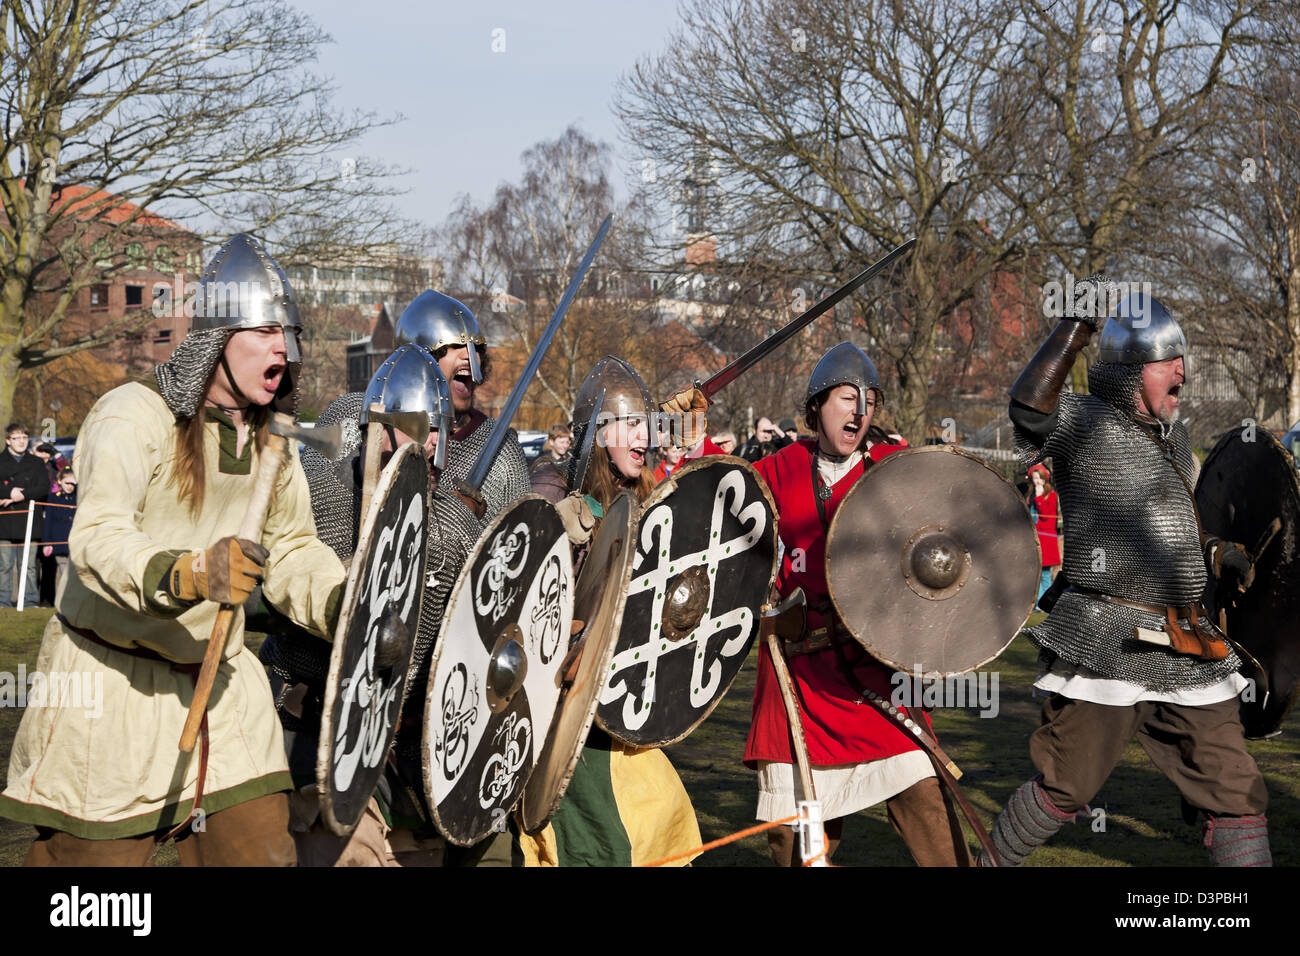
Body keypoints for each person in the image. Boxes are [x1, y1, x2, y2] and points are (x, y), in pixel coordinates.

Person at [0, 233, 346, 866]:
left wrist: (349, 602)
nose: (282, 346)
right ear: (216, 336)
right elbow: (99, 536)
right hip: (111, 686)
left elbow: (293, 548)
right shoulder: (132, 415)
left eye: (288, 332)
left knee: (264, 853)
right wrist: (190, 573)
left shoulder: (277, 442)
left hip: (224, 693)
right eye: (264, 330)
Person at [985, 283, 1270, 867]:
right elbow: (1028, 409)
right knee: (1065, 786)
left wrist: (1216, 552)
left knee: (1238, 794)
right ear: (1131, 371)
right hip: (1107, 637)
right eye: (1170, 363)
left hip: (1189, 646)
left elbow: (1177, 528)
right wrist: (1075, 325)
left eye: (1182, 362)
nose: (1183, 374)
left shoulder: (1178, 441)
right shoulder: (1084, 422)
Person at [746, 341, 971, 867]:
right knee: (797, 840)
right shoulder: (780, 469)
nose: (859, 410)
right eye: (847, 398)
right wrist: (689, 441)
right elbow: (717, 502)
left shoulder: (891, 467)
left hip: (875, 666)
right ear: (817, 407)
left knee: (927, 803)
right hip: (796, 677)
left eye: (868, 399)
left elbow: (954, 521)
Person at [260, 344, 486, 866]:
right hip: (309, 729)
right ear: (378, 426)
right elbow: (287, 584)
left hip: (402, 754)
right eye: (415, 424)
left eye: (438, 428)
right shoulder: (322, 494)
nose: (428, 444)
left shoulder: (450, 519)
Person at [525, 356, 715, 866]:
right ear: (596, 434)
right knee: (600, 842)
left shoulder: (642, 494)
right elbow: (527, 592)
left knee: (658, 818)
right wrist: (565, 526)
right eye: (629, 423)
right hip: (564, 712)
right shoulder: (551, 487)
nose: (642, 436)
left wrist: (687, 445)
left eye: (645, 425)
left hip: (620, 703)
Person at [393, 289, 530, 518]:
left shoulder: (501, 447)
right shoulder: (362, 419)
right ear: (421, 359)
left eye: (476, 348)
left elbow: (520, 537)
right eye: (455, 346)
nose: (470, 356)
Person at [0, 423, 49, 608]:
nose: (21, 442)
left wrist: (21, 495)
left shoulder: (36, 462)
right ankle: (2, 602)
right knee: (4, 566)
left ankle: (29, 601)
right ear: (8, 441)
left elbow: (43, 488)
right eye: (16, 438)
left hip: (29, 522)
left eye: (24, 438)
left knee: (28, 566)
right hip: (4, 522)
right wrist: (9, 491)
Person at [41, 467, 77, 605]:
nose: (70, 486)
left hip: (74, 543)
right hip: (59, 543)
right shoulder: (53, 498)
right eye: (67, 483)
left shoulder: (77, 498)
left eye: (73, 484)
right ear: (60, 482)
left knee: (74, 577)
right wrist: (47, 543)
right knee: (64, 575)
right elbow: (48, 522)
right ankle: (62, 603)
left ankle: (73, 603)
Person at [1027, 463, 1062, 601]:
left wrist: (1040, 496)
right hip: (1035, 538)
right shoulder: (1030, 495)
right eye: (1035, 478)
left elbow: (1045, 515)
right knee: (1037, 572)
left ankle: (1043, 601)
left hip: (1046, 540)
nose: (1037, 481)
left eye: (1039, 478)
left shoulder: (1051, 495)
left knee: (1045, 573)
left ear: (1044, 479)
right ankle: (1037, 600)